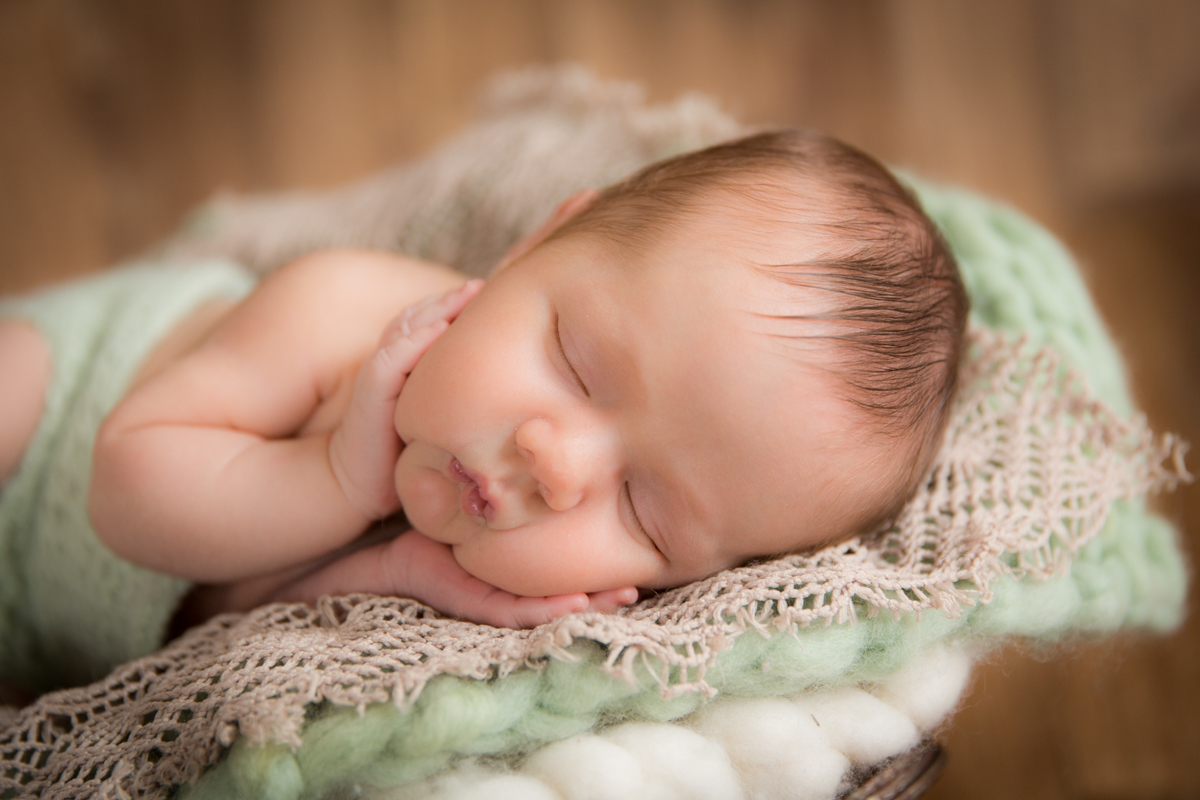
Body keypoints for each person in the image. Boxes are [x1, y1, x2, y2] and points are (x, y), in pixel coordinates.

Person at [0, 130, 967, 647]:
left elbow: (226, 614)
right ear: (536, 243)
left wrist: (388, 575)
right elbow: (123, 495)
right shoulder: (339, 313)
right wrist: (343, 481)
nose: (560, 465)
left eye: (645, 510)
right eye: (578, 363)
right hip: (59, 414)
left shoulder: (477, 575)